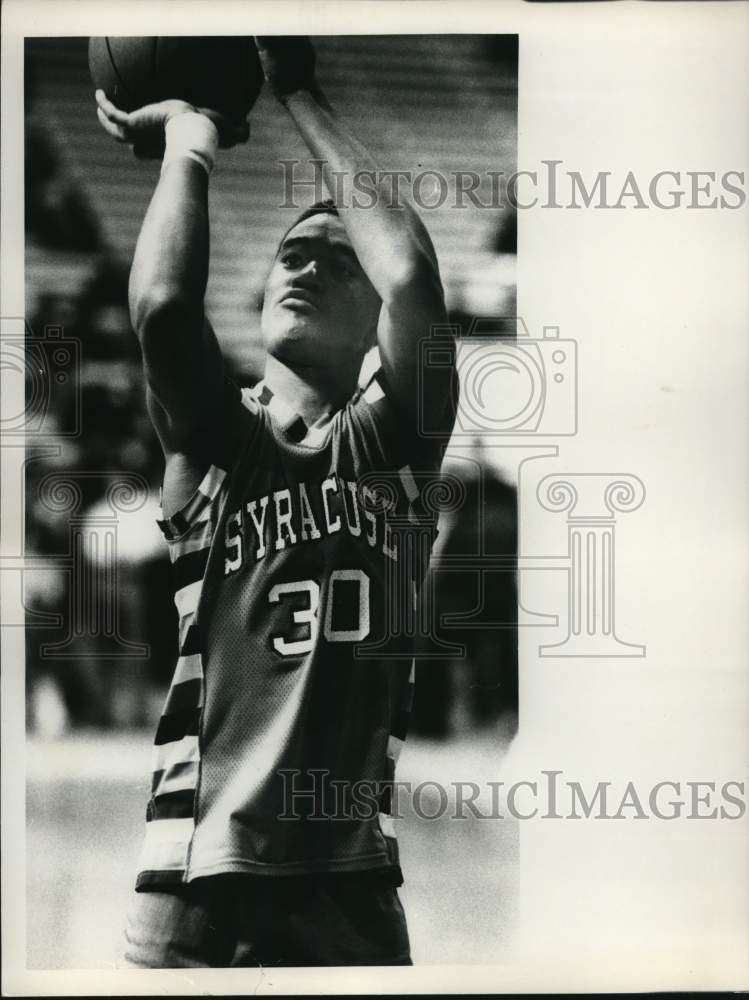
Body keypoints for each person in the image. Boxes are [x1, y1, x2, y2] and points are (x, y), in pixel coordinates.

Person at [95, 36, 457, 968]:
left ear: (369, 313)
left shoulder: (393, 448)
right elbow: (165, 310)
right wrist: (190, 139)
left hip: (353, 885)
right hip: (195, 883)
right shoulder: (216, 442)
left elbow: (412, 275)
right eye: (290, 254)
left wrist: (298, 91)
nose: (302, 266)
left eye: (336, 262)